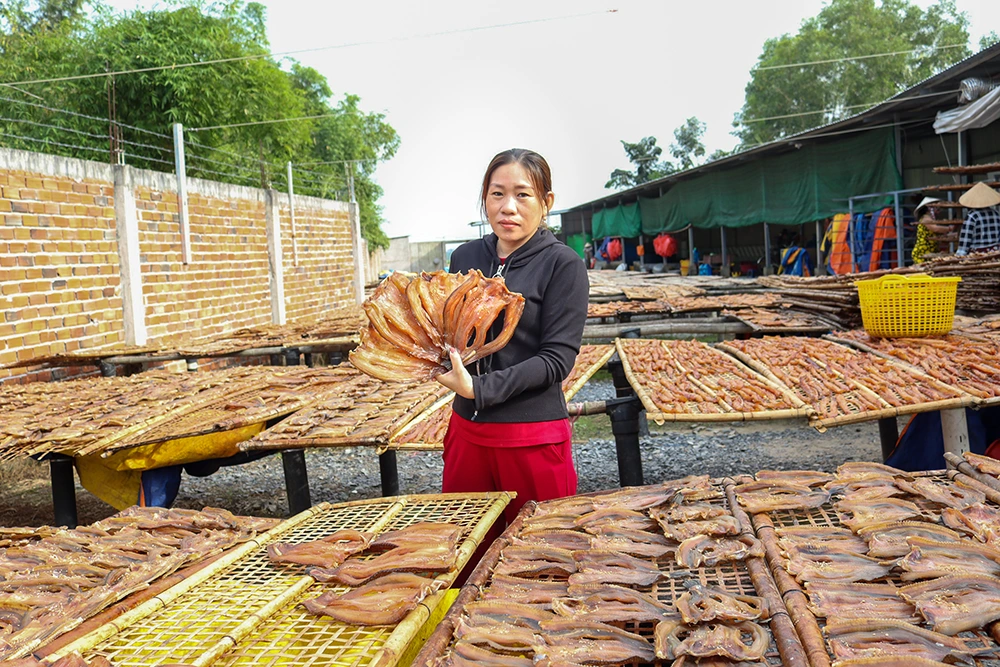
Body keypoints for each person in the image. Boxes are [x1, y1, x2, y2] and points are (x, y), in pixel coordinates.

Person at [435, 148, 589, 528]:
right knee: (466, 547)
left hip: (532, 438)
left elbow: (556, 359)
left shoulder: (563, 265)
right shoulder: (465, 257)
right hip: (467, 435)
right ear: (485, 198)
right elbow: (448, 330)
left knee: (539, 548)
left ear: (546, 202)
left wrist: (478, 389)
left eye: (523, 195)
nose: (508, 207)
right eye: (497, 194)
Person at [957, 181, 1000, 256]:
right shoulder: (996, 214)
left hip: (977, 255)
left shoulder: (972, 216)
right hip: (995, 253)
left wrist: (959, 255)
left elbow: (964, 243)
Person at [911, 196, 950, 263]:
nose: (939, 210)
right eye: (936, 207)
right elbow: (936, 229)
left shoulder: (930, 219)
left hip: (931, 251)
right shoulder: (925, 218)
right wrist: (949, 228)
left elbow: (939, 234)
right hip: (922, 252)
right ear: (929, 208)